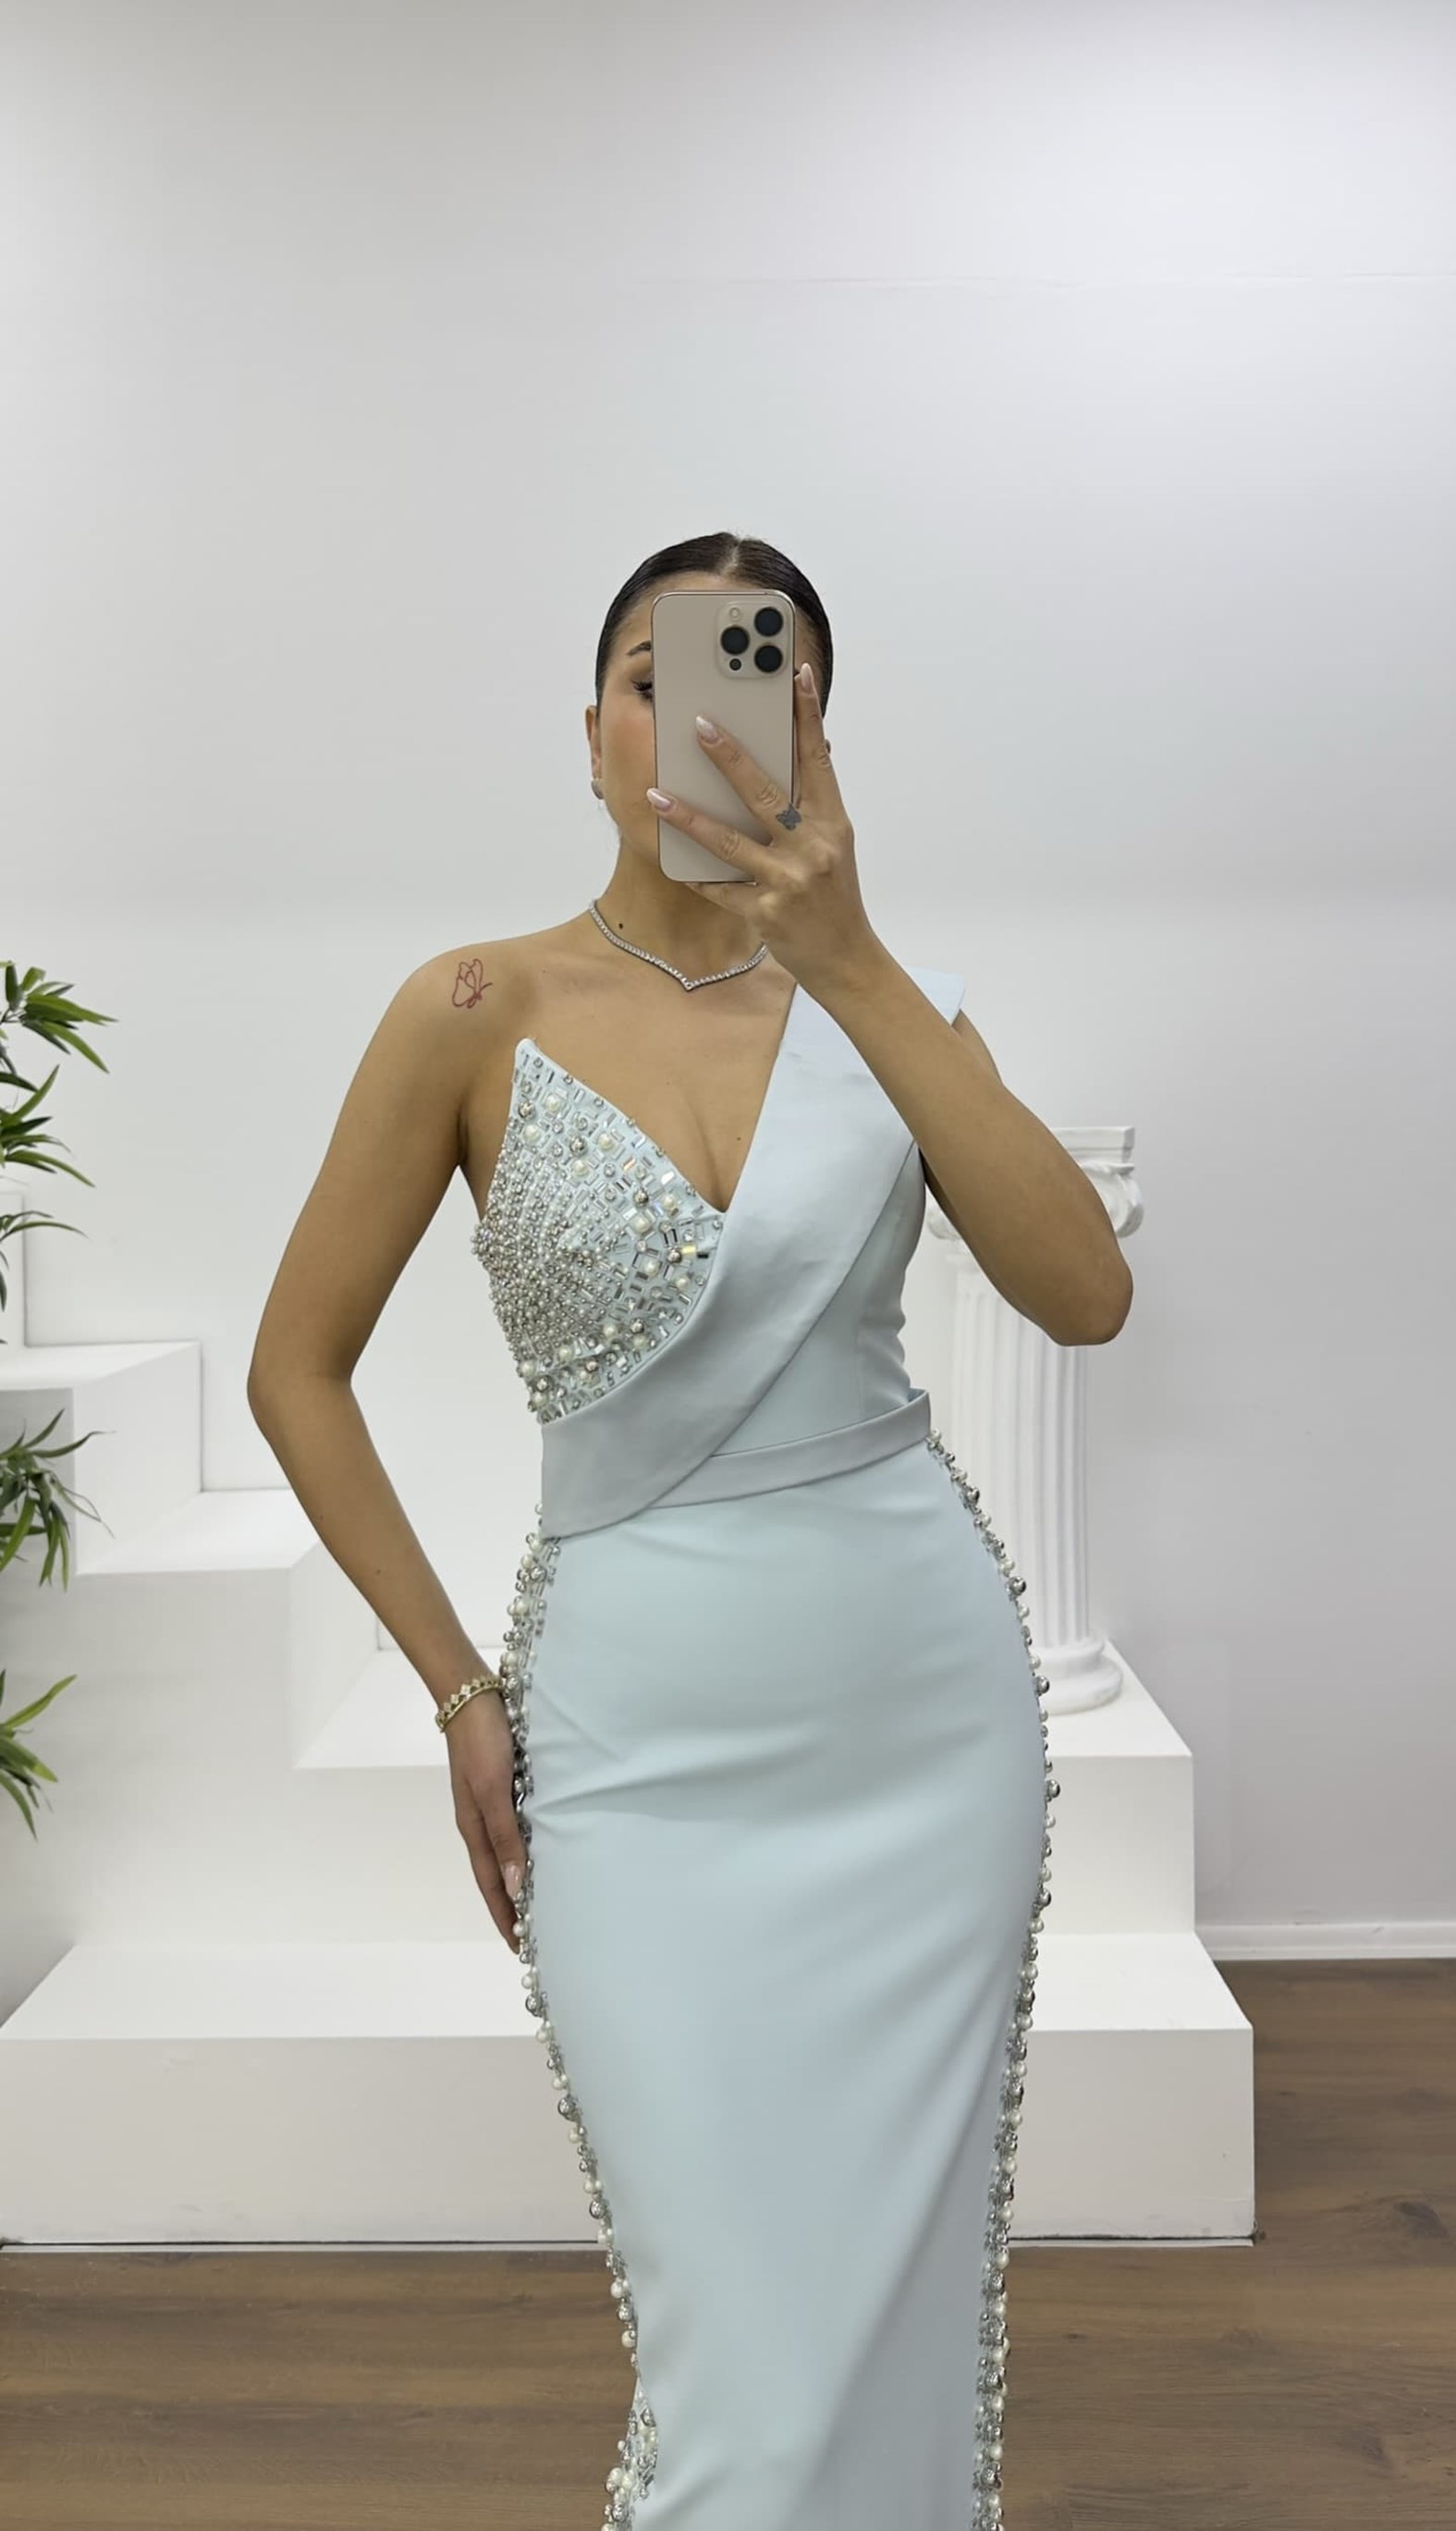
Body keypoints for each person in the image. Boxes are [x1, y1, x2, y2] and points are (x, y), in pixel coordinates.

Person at [248, 530, 1132, 2530]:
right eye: (659, 678)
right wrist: (458, 1690)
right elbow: (297, 1370)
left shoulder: (894, 1005)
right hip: (634, 1748)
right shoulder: (470, 1007)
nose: (704, 717)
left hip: (916, 1734)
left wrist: (855, 962)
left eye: (762, 677)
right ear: (590, 732)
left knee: (891, 2322)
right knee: (737, 2350)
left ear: (817, 736)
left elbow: (1083, 1293)